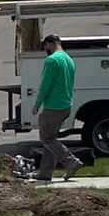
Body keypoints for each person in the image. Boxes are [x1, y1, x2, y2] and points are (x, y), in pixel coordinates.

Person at [33, 32, 80, 183]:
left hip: (53, 106)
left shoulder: (52, 60)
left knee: (47, 139)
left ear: (50, 44)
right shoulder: (69, 59)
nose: (45, 49)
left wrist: (37, 104)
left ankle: (71, 161)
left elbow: (45, 85)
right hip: (66, 105)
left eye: (45, 46)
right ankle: (45, 173)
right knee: (51, 140)